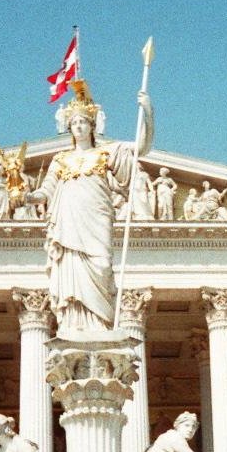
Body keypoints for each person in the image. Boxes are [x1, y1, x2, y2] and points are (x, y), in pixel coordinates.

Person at [27, 79, 154, 336]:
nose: (78, 126)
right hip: (68, 224)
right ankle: (75, 326)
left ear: (92, 126)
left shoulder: (106, 153)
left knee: (102, 266)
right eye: (74, 123)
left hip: (96, 222)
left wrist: (148, 112)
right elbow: (46, 191)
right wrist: (26, 196)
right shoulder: (60, 160)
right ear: (69, 127)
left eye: (83, 122)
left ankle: (100, 325)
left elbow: (141, 148)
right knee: (71, 273)